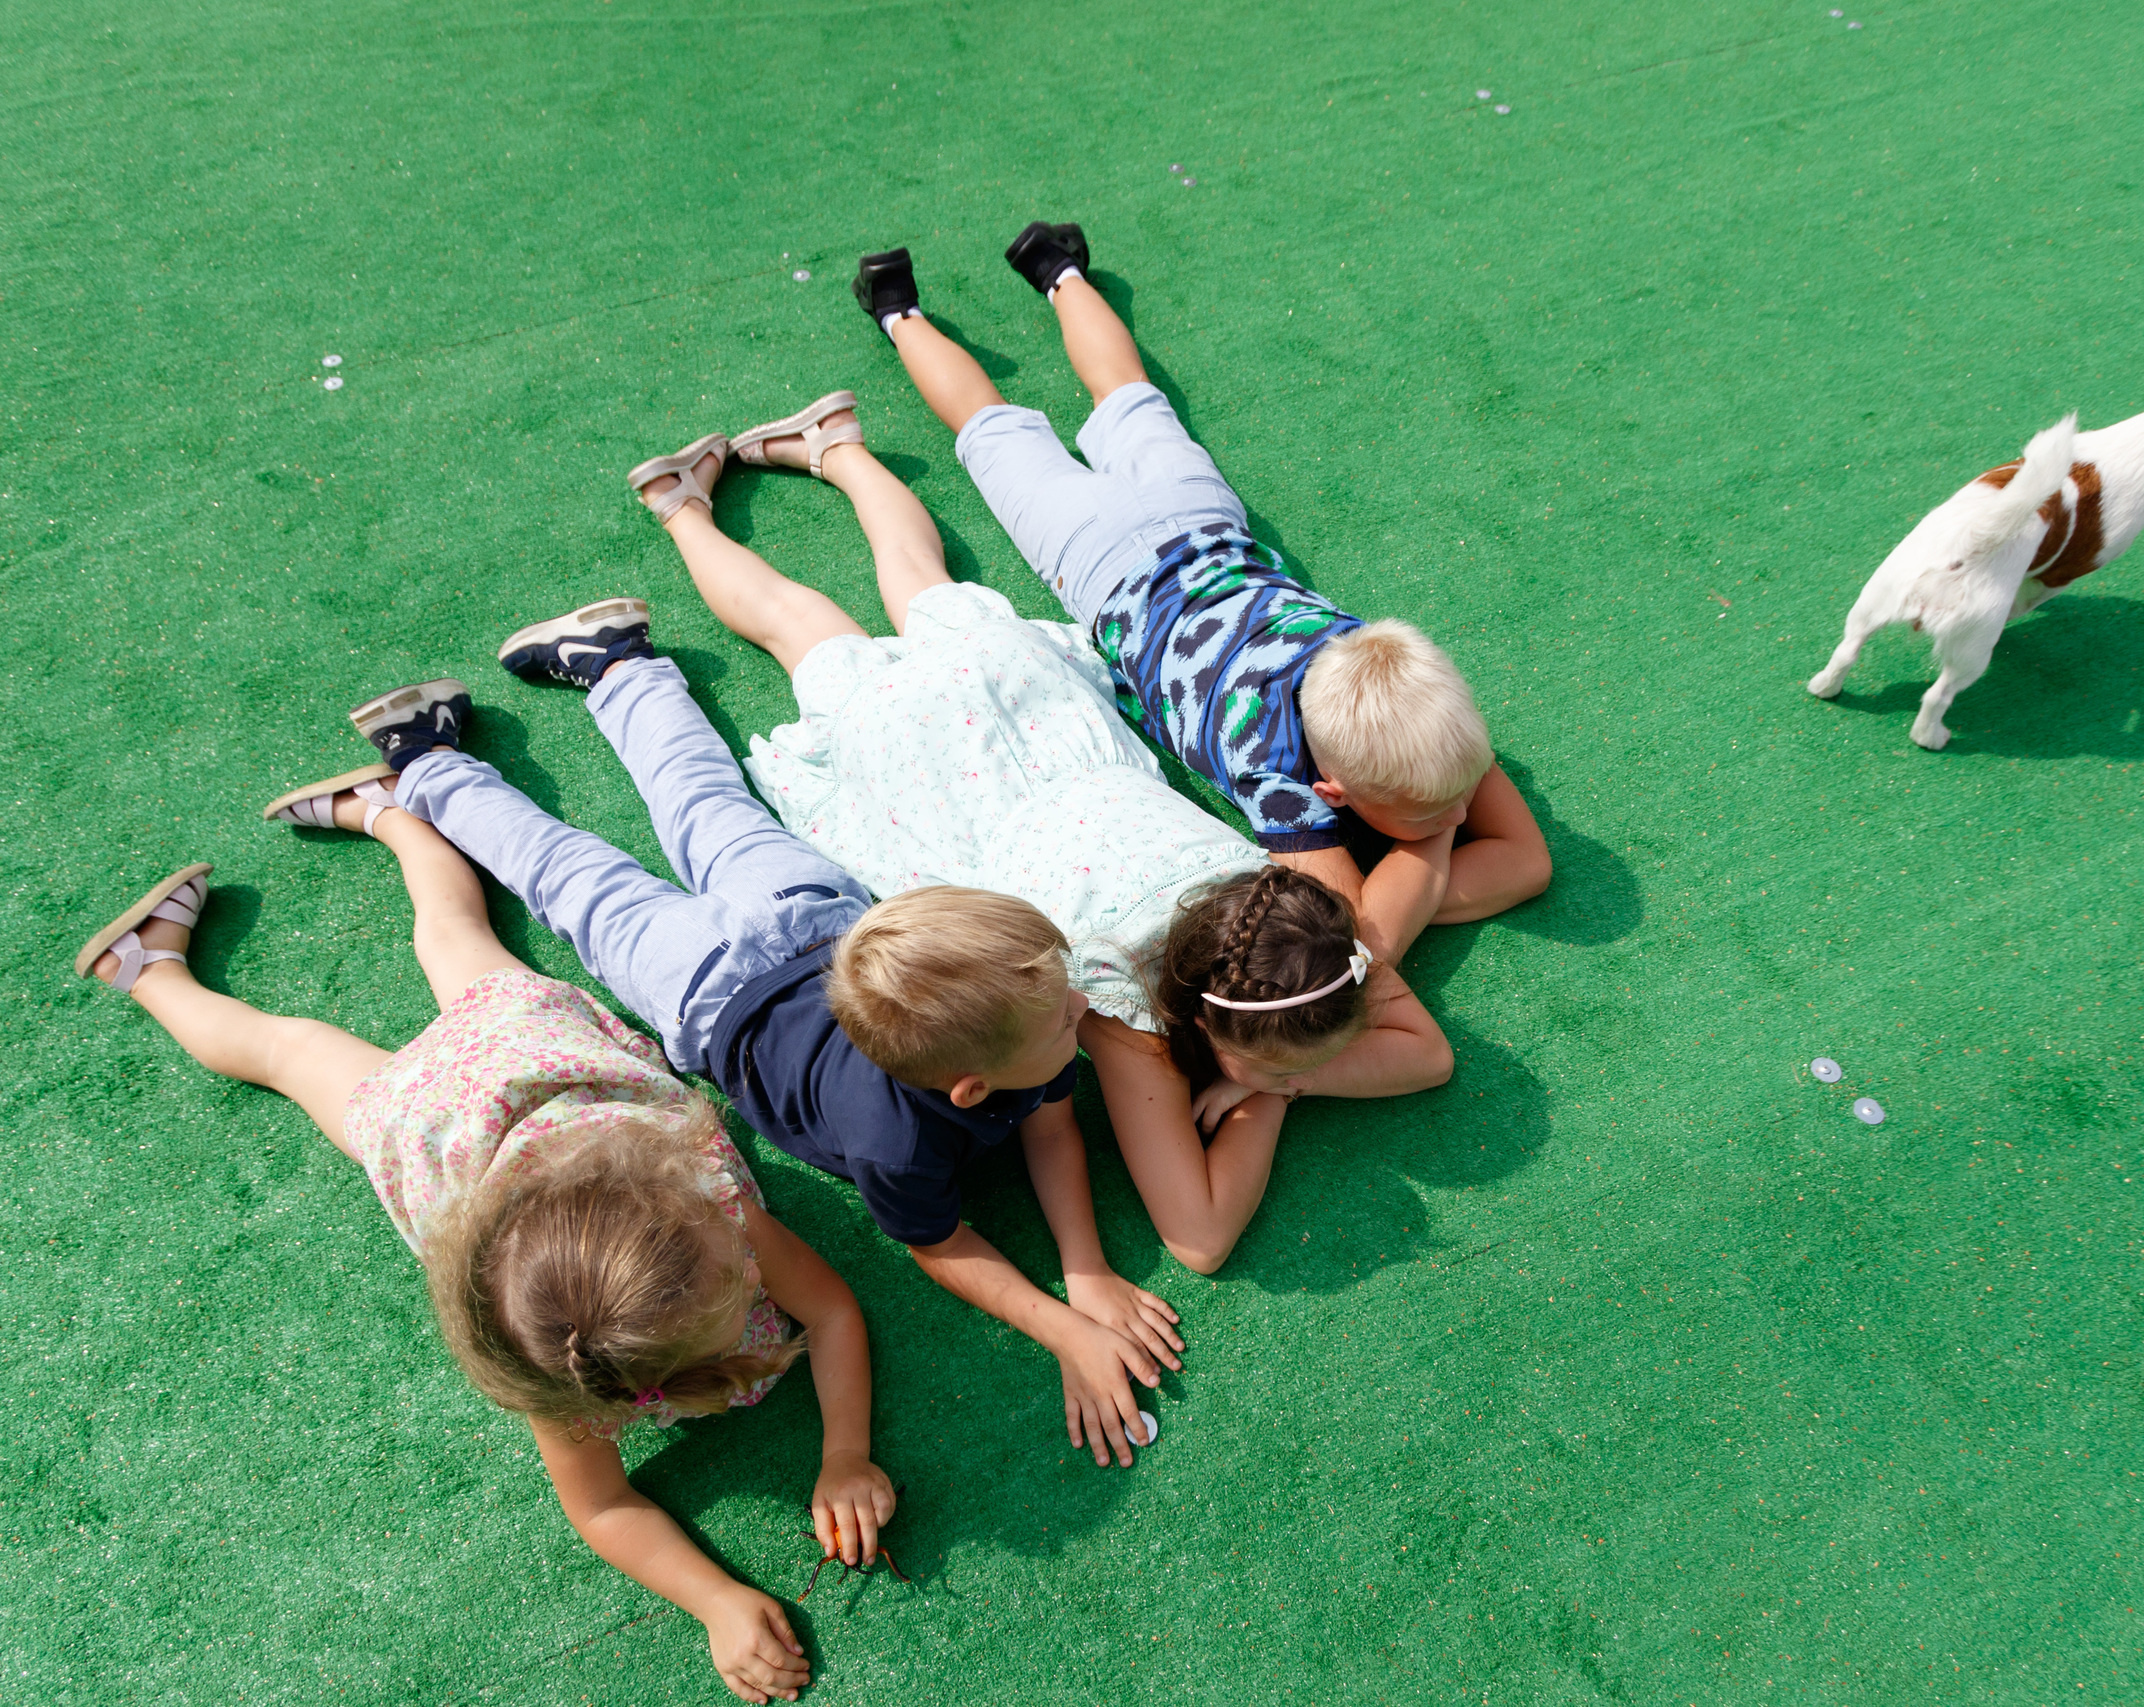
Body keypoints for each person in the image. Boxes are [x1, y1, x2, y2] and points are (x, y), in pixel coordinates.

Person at [302, 576, 1182, 1471]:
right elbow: (940, 1242)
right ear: (970, 1086)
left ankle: (524, 706)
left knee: (672, 816)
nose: (1085, 1005)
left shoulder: (1012, 1029)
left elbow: (1051, 1123)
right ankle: (465, 742)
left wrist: (1087, 1268)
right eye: (1066, 1003)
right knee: (594, 860)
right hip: (708, 986)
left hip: (813, 922)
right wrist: (1060, 1327)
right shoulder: (896, 1143)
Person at [617, 388, 1453, 1278]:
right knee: (807, 628)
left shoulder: (1296, 921)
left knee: (908, 576)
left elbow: (1427, 1055)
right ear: (1214, 1023)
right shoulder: (1120, 1001)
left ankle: (820, 452)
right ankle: (684, 509)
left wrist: (1278, 1070)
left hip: (1034, 716)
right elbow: (1198, 1237)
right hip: (935, 779)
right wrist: (1272, 1091)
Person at [72, 813, 886, 1706]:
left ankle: (395, 813)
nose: (747, 1262)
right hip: (432, 1123)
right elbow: (602, 1505)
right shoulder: (562, 1363)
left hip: (538, 1058)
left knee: (457, 938)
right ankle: (147, 970)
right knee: (288, 1048)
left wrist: (845, 1452)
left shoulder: (703, 1211)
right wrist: (715, 1599)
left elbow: (833, 1309)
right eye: (739, 1282)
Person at [846, 227, 1554, 966]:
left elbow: (1525, 866)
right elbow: (1360, 940)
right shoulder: (1274, 766)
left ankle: (988, 285)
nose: (1466, 809)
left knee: (1099, 396)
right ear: (1331, 791)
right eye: (1444, 809)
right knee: (1008, 423)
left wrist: (1424, 830)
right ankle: (949, 299)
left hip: (1195, 518)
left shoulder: (1398, 702)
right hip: (1100, 562)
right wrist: (1433, 846)